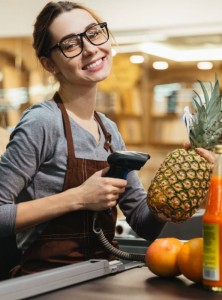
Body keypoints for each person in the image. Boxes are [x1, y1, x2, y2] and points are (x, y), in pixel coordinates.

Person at [0, 1, 214, 277]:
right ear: (49, 64)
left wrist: (178, 188)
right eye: (70, 44)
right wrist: (78, 197)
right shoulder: (43, 122)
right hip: (47, 281)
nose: (90, 48)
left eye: (94, 33)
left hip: (102, 275)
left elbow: (143, 224)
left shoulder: (109, 130)